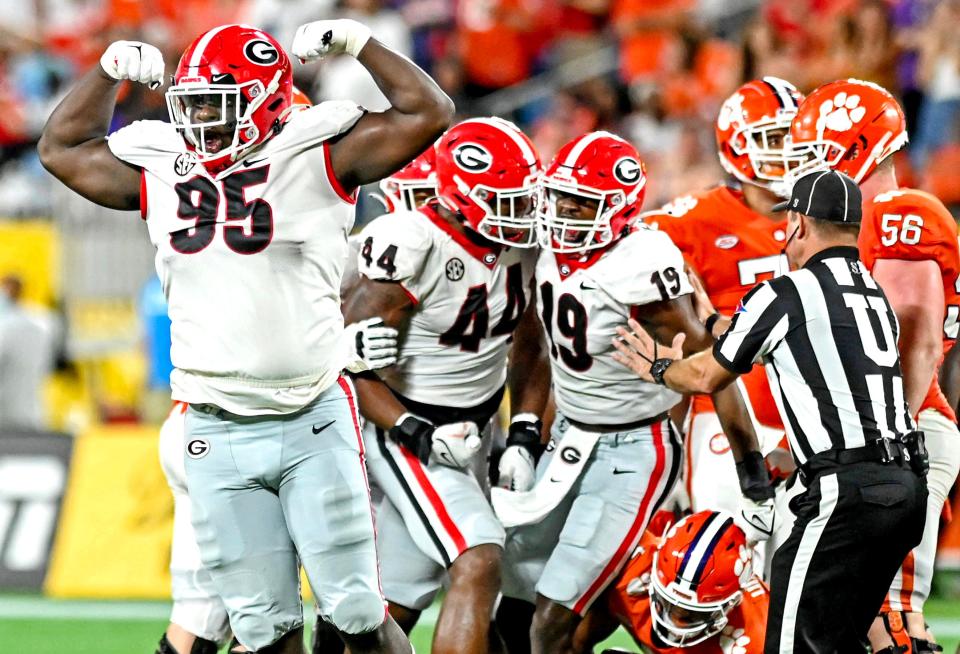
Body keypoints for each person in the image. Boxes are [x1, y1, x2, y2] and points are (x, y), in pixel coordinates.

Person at [39, 19, 454, 654]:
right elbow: (61, 149)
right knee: (263, 627)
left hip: (311, 416)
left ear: (267, 100)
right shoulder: (162, 163)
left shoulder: (318, 151)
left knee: (356, 611)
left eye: (217, 104)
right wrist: (106, 73)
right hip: (213, 426)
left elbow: (428, 110)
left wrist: (359, 43)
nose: (201, 120)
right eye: (193, 104)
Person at [613, 169, 928, 653]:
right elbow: (799, 344)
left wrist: (658, 369)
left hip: (844, 491)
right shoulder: (870, 296)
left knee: (788, 643)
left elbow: (706, 377)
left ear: (798, 223)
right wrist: (718, 324)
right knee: (852, 641)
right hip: (905, 488)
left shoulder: (788, 291)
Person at [497, 131, 766, 654]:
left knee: (556, 614)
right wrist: (524, 433)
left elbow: (706, 365)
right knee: (512, 591)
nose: (563, 214)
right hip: (570, 439)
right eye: (560, 198)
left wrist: (749, 463)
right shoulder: (550, 248)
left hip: (635, 450)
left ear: (618, 208)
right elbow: (532, 341)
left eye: (582, 204)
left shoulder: (642, 260)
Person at [335, 117, 550, 654]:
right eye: (507, 200)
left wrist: (522, 431)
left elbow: (529, 343)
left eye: (526, 199)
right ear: (459, 196)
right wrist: (415, 431)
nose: (522, 214)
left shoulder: (520, 248)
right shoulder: (413, 244)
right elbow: (348, 367)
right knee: (478, 557)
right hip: (406, 427)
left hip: (475, 432)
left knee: (396, 604)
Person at [786, 78, 960, 654]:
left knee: (893, 624)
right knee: (854, 623)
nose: (804, 166)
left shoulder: (899, 213)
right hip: (870, 442)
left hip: (896, 437)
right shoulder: (855, 221)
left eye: (815, 150)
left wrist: (889, 439)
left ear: (855, 147)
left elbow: (916, 341)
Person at [643, 76, 802, 517]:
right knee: (726, 551)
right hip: (725, 406)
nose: (788, 150)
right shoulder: (693, 220)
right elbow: (629, 250)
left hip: (812, 407)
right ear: (738, 145)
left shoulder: (826, 214)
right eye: (774, 138)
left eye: (795, 138)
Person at [574, 510, 769, 654]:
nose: (675, 621)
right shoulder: (631, 564)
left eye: (692, 614)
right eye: (667, 603)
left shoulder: (757, 638)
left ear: (731, 604)